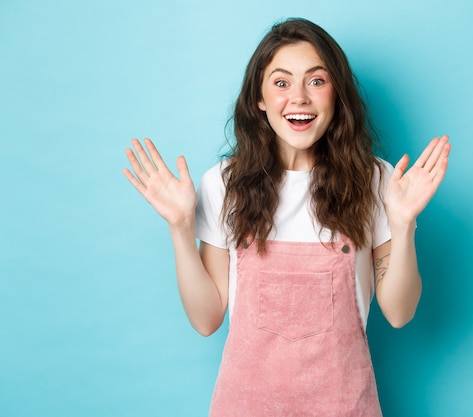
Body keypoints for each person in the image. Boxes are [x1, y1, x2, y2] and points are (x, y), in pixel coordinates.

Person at [123, 17, 450, 417]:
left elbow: (400, 313)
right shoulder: (225, 183)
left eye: (316, 81)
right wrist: (180, 227)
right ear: (258, 99)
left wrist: (403, 225)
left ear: (337, 95)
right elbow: (207, 319)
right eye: (281, 83)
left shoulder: (377, 181)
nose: (299, 97)